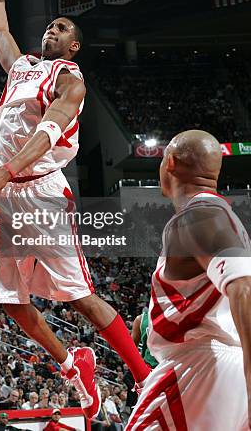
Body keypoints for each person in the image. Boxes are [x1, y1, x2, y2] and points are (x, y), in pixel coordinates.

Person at [0, 0, 149, 419]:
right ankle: (74, 367)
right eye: (49, 25)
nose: (52, 29)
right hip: (1, 192)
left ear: (74, 45)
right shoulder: (23, 69)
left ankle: (144, 376)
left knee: (78, 297)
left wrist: (8, 170)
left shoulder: (69, 77)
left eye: (62, 28)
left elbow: (50, 130)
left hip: (35, 191)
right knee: (10, 300)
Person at [126, 130, 251, 430]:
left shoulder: (201, 214)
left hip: (196, 369)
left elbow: (244, 288)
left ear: (169, 162)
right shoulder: (214, 215)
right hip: (220, 368)